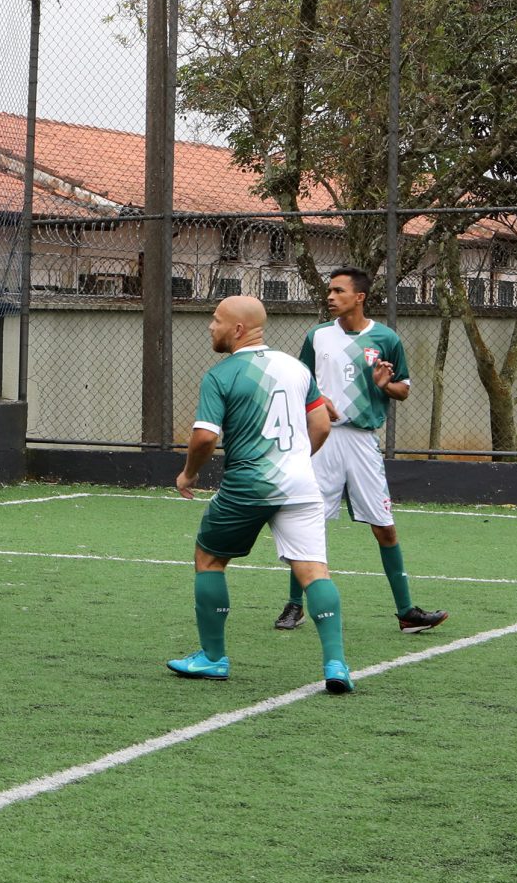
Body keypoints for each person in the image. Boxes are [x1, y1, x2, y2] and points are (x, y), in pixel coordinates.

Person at [172, 294, 355, 694]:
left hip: (249, 483)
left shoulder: (221, 375)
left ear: (238, 329)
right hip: (303, 485)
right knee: (314, 572)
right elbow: (321, 425)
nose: (210, 326)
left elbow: (204, 437)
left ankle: (213, 659)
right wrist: (296, 460)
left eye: (216, 320)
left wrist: (188, 474)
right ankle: (336, 664)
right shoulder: (297, 368)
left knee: (209, 559)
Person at [275, 268, 449, 635]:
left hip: (362, 442)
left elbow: (403, 389)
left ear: (360, 297)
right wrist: (319, 400)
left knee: (384, 528)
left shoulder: (386, 339)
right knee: (307, 522)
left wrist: (385, 385)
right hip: (321, 440)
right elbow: (301, 383)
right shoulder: (317, 336)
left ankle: (406, 613)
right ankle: (294, 605)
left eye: (339, 291)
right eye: (329, 290)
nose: (331, 296)